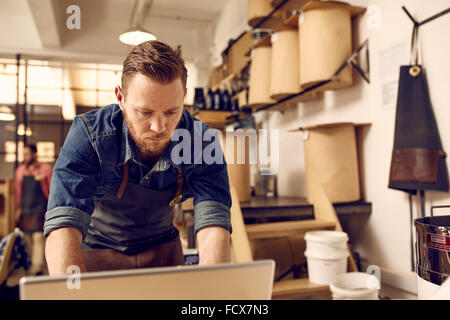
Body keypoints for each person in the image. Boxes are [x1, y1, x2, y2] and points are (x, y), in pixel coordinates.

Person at [44, 41, 232, 276]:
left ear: (184, 96)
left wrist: (212, 293)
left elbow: (214, 221)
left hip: (164, 255)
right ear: (120, 97)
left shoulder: (202, 141)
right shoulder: (88, 136)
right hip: (98, 254)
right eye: (145, 112)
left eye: (172, 112)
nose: (159, 127)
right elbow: (64, 223)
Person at [14, 144, 53, 275]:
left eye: (27, 154)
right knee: (27, 238)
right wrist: (18, 209)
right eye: (23, 154)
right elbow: (18, 192)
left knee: (38, 237)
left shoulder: (46, 169)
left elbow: (51, 190)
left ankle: (37, 267)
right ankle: (29, 265)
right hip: (25, 208)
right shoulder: (20, 171)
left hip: (40, 208)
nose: (24, 157)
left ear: (35, 154)